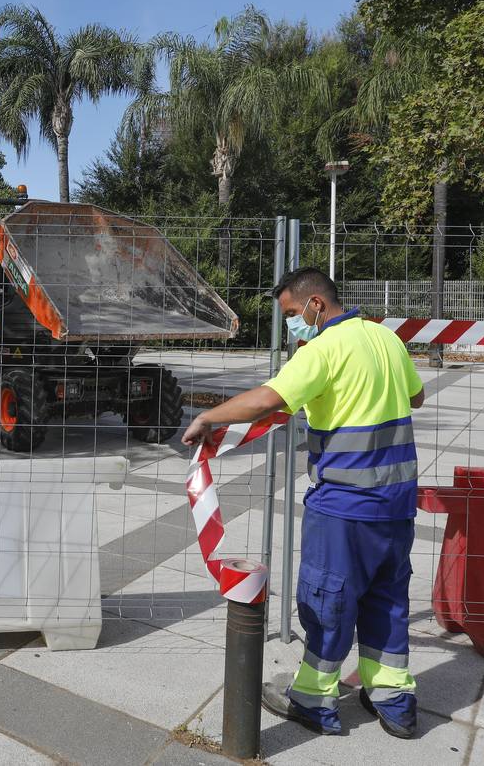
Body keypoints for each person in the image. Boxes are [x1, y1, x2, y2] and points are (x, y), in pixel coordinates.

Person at [182, 267, 424, 739]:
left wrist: (210, 417)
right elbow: (416, 395)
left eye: (292, 314)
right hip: (397, 503)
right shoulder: (386, 338)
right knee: (387, 598)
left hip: (344, 505)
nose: (292, 324)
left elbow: (268, 399)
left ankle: (313, 699)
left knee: (327, 599)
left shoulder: (326, 348)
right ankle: (393, 697)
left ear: (316, 305)